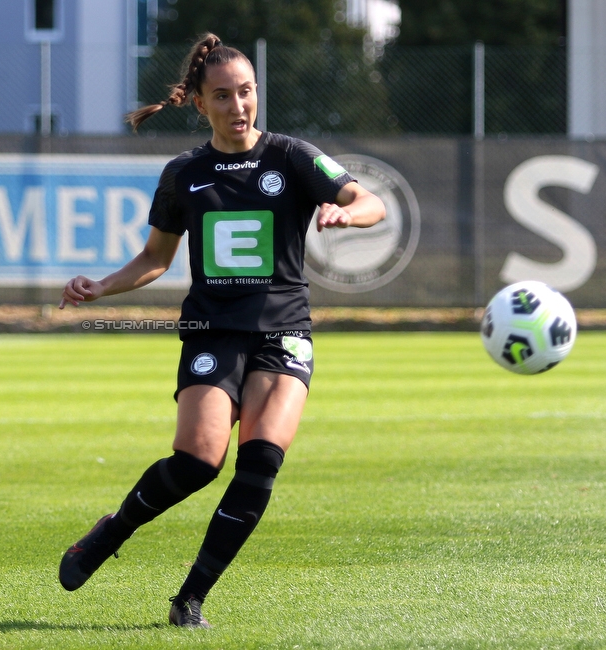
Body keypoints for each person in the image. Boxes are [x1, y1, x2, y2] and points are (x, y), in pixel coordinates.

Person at [57, 33, 386, 628]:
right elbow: (155, 257)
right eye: (224, 96)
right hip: (212, 333)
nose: (239, 107)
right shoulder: (184, 173)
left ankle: (190, 600)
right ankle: (111, 533)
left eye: (247, 92)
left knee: (259, 460)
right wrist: (102, 286)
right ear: (200, 103)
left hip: (283, 331)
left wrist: (346, 212)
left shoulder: (290, 157)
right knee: (198, 463)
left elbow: (369, 201)